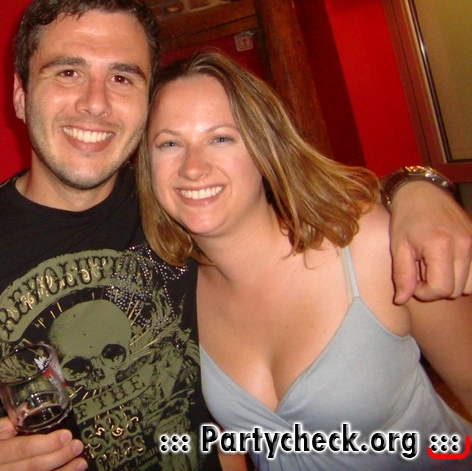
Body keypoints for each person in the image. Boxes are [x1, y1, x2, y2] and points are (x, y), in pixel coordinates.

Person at [0, 0, 472, 471]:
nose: (95, 102)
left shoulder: (178, 213)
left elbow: (305, 206)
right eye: (67, 72)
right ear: (21, 94)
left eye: (122, 77)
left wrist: (417, 188)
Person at [137, 51, 472, 470]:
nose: (192, 167)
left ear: (265, 149)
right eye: (169, 143)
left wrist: (417, 185)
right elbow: (226, 444)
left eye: (221, 138)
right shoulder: (177, 292)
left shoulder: (370, 246)